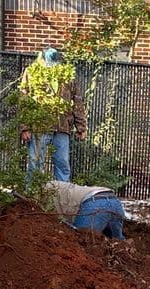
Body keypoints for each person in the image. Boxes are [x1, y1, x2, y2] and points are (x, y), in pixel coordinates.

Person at [19, 47, 86, 182]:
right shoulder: (32, 73)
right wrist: (24, 127)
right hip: (40, 126)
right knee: (35, 164)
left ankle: (63, 197)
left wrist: (81, 127)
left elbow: (77, 100)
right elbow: (24, 100)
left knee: (63, 164)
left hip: (62, 127)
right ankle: (33, 197)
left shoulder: (67, 76)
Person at [44, 180, 126, 240]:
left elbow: (51, 218)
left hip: (95, 204)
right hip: (115, 201)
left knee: (82, 239)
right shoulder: (58, 186)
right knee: (118, 243)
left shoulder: (45, 193)